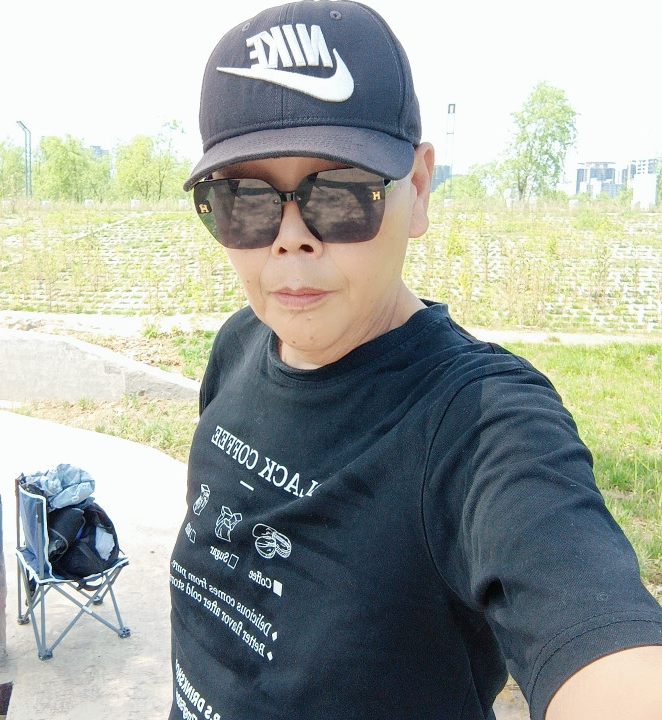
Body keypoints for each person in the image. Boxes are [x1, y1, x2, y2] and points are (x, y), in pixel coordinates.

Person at [169, 2, 662, 718]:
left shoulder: (481, 425)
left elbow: (605, 649)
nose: (291, 237)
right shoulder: (238, 345)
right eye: (243, 198)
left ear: (419, 187)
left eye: (341, 193)